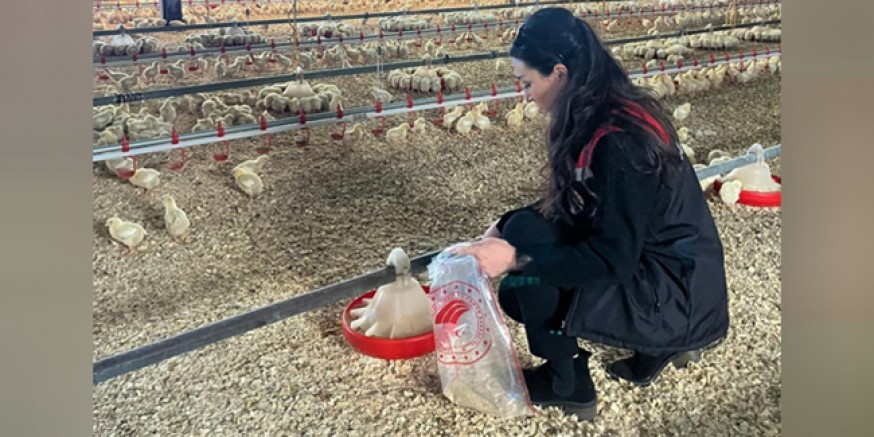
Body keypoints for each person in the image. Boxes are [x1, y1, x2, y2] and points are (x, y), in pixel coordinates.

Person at [453, 7, 729, 421]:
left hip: (674, 294)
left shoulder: (621, 144)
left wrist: (514, 259)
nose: (525, 95)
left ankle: (569, 383)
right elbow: (583, 205)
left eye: (528, 83)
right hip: (677, 274)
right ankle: (656, 345)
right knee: (523, 227)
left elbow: (611, 261)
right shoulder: (607, 111)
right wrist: (506, 226)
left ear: (560, 74)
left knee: (524, 285)